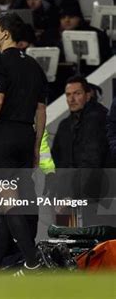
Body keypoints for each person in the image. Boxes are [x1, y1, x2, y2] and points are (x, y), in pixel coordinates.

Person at [0, 12, 47, 275]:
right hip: (26, 137)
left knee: (8, 202)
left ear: (5, 33)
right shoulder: (35, 66)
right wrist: (36, 147)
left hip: (3, 138)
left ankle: (33, 262)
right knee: (12, 203)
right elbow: (41, 111)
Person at [52, 76, 110, 226]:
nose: (72, 99)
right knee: (65, 237)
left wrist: (73, 196)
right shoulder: (65, 125)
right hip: (69, 198)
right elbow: (58, 163)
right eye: (68, 94)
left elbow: (91, 161)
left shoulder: (98, 119)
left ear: (88, 95)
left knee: (94, 241)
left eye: (77, 93)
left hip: (96, 197)